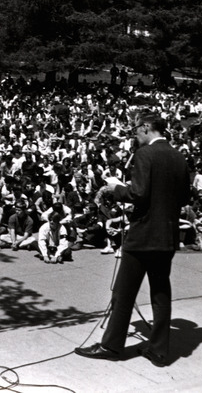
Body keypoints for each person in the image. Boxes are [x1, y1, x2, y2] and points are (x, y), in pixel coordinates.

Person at [75, 111, 190, 368]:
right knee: (161, 293)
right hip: (167, 235)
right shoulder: (178, 156)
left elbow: (138, 194)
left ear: (147, 128)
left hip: (143, 235)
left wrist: (115, 189)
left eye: (136, 130)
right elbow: (183, 197)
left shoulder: (145, 154)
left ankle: (111, 345)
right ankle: (159, 351)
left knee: (123, 293)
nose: (135, 136)